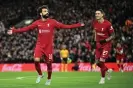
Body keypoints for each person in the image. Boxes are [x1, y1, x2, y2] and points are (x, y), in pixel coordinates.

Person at [7, 5, 84, 85]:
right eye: (44, 11)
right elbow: (27, 28)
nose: (47, 12)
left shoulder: (52, 22)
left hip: (48, 47)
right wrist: (14, 31)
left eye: (47, 11)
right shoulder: (37, 22)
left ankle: (49, 79)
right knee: (36, 60)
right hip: (39, 46)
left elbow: (64, 26)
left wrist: (77, 25)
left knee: (49, 64)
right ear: (41, 13)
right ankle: (40, 74)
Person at [92, 9, 115, 84]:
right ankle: (107, 70)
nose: (96, 15)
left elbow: (113, 35)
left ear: (102, 14)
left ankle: (102, 79)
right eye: (96, 14)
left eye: (98, 13)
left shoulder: (108, 24)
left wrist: (105, 41)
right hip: (98, 44)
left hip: (106, 45)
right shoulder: (95, 23)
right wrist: (95, 41)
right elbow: (95, 32)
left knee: (101, 60)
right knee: (97, 62)